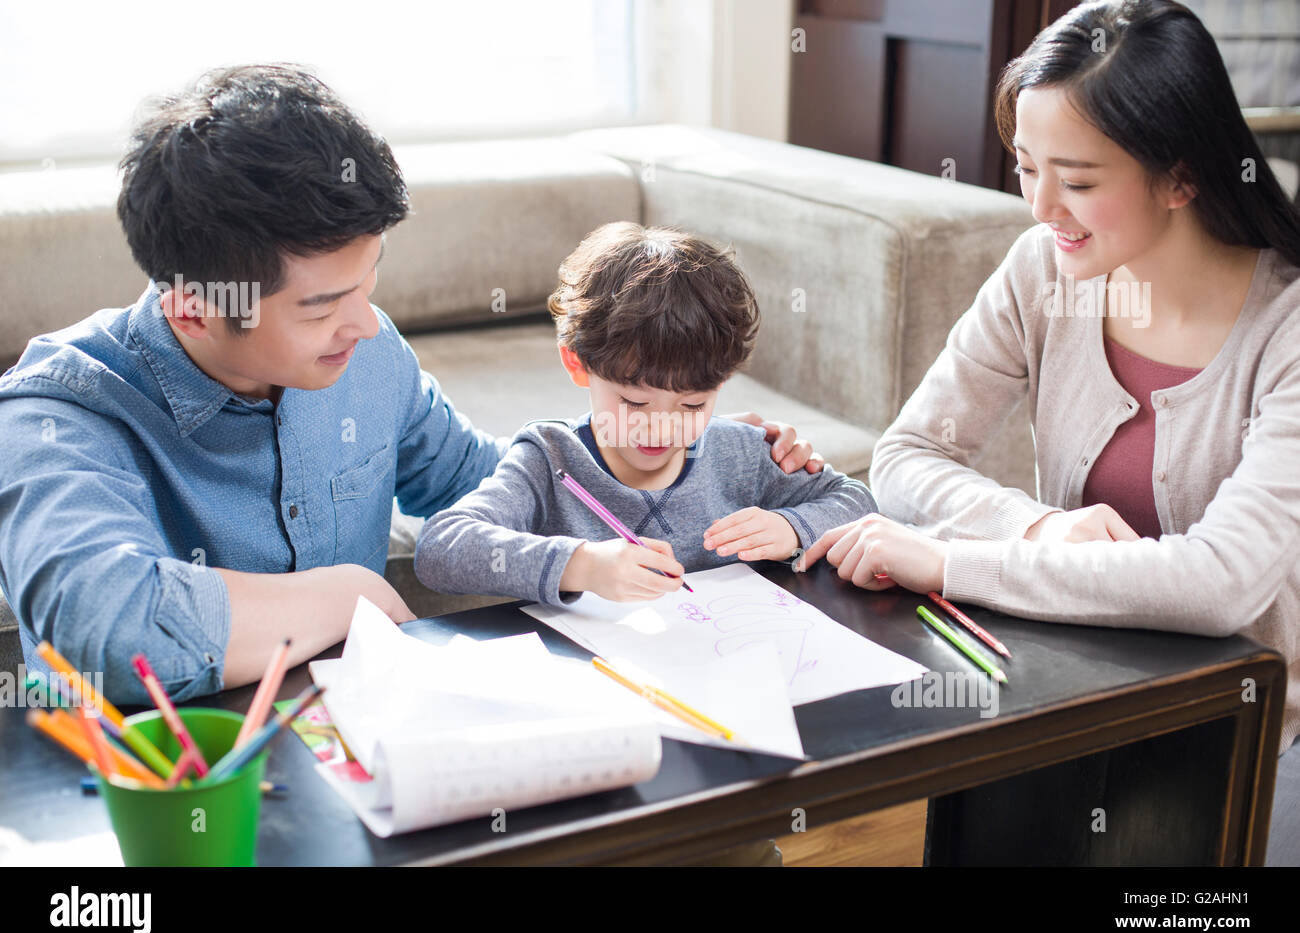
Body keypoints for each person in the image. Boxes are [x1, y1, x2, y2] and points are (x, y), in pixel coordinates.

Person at [0, 65, 820, 706]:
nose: (365, 324)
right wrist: (346, 594)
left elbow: (488, 479)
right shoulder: (62, 411)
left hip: (372, 744)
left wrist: (676, 449)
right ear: (197, 311)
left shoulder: (367, 354)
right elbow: (96, 625)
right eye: (322, 306)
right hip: (158, 794)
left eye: (368, 284)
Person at [796, 0, 1300, 862]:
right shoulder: (1044, 270)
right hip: (1073, 690)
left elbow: (1223, 585)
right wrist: (1037, 525)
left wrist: (955, 561)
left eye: (1077, 179)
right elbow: (909, 455)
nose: (1039, 206)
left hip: (1256, 724)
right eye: (1026, 167)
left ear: (1180, 177)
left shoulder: (1285, 328)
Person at [415, 222, 877, 603]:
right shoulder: (550, 461)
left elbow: (857, 501)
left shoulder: (737, 452)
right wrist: (584, 565)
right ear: (578, 364)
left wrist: (790, 527)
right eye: (634, 402)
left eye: (692, 404)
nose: (662, 425)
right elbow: (442, 548)